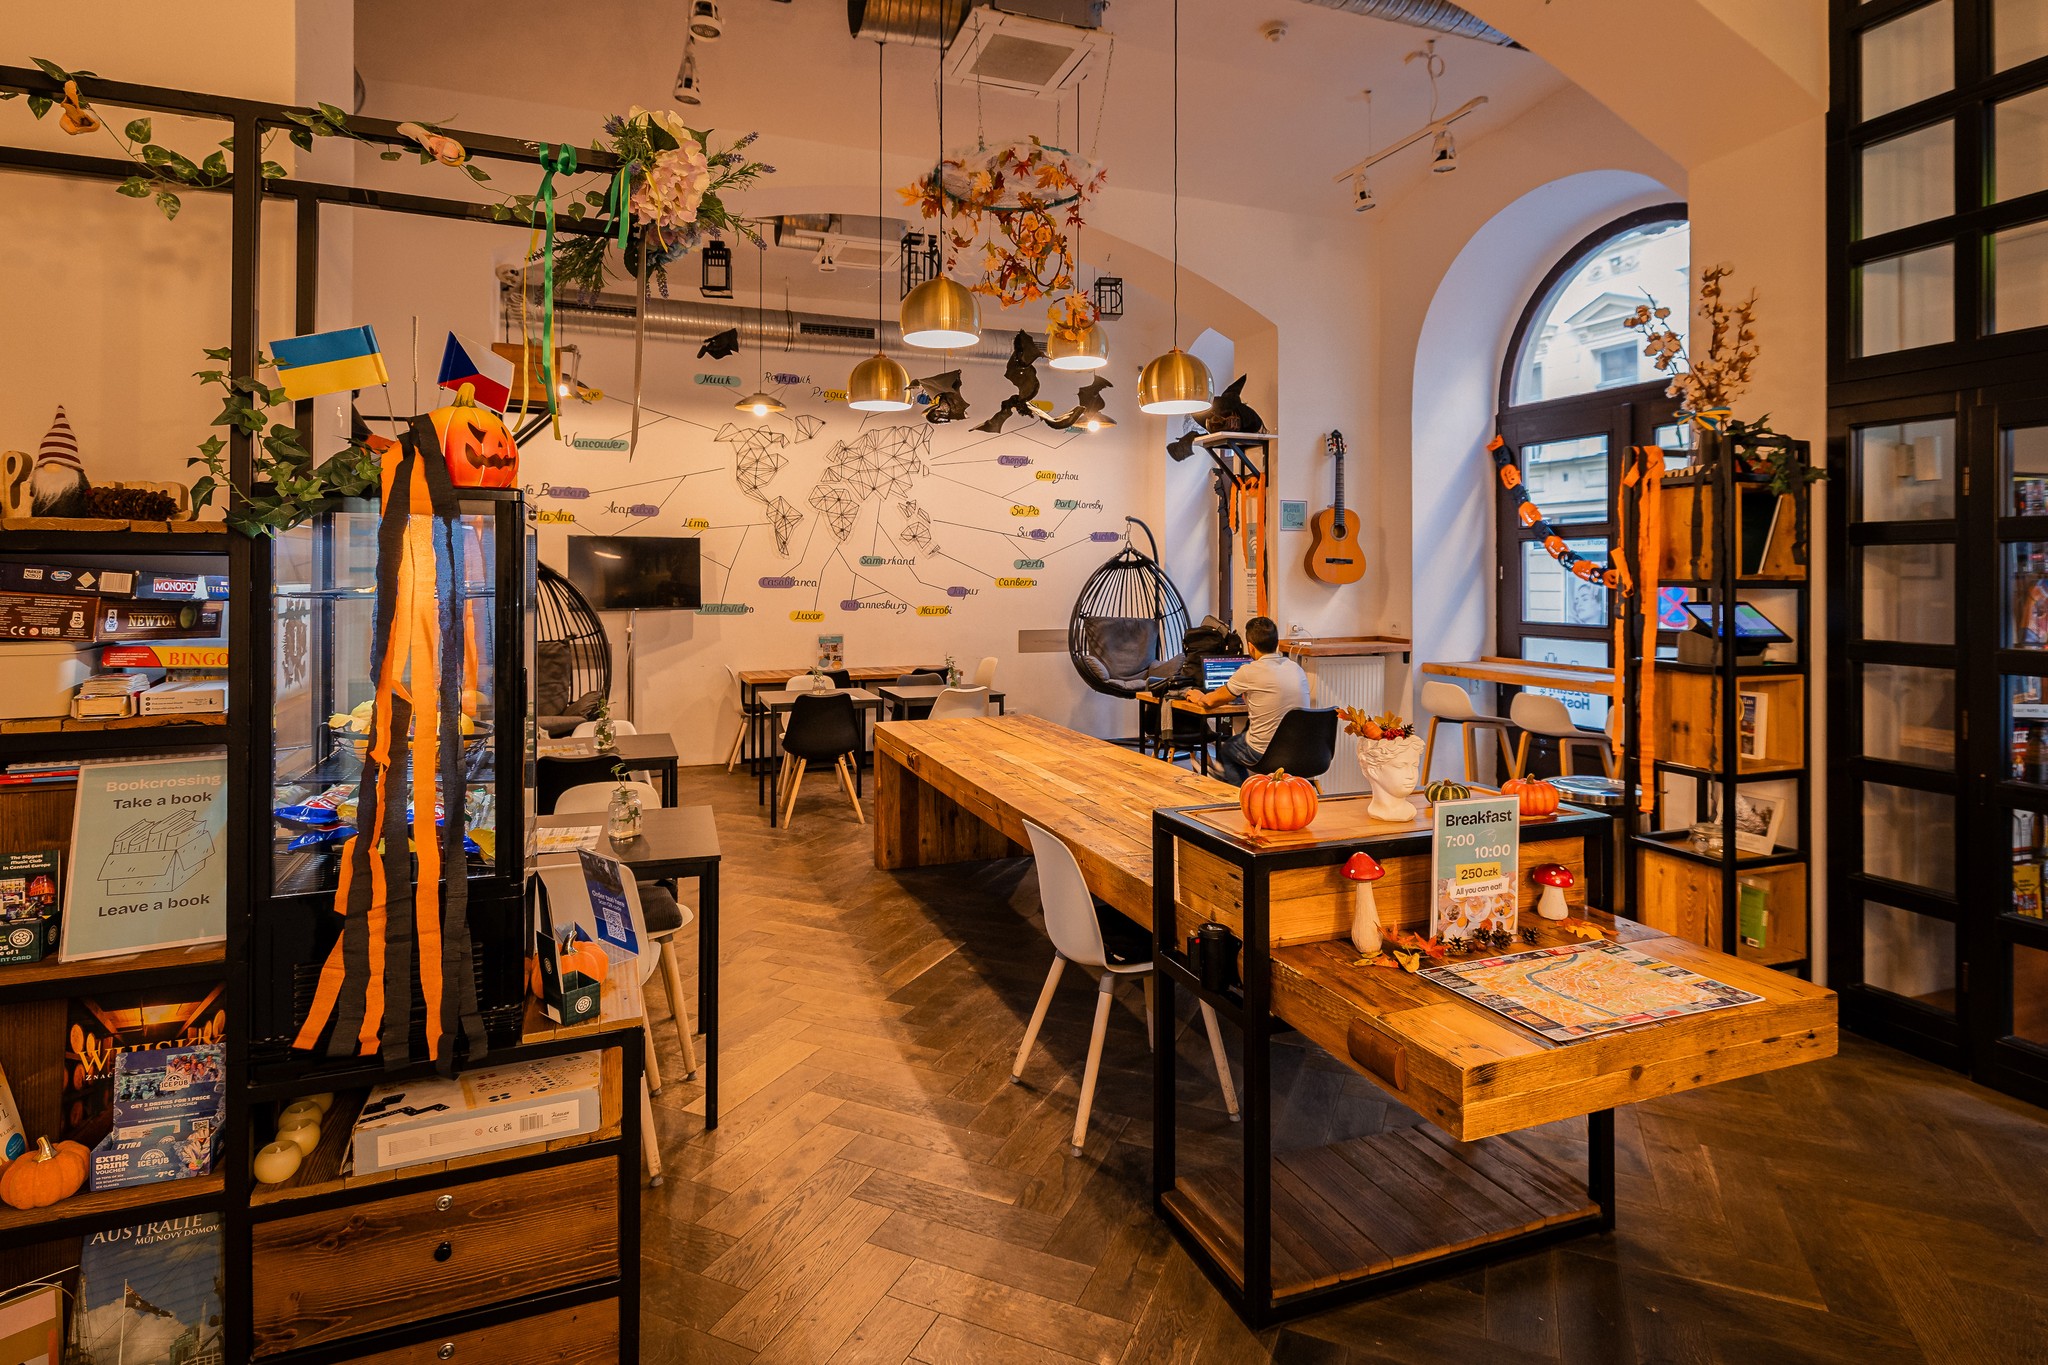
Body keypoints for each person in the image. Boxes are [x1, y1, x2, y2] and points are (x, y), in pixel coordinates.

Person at [1194, 616, 1309, 784]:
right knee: (1246, 731)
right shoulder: (1296, 669)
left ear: (1251, 647)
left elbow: (1211, 701)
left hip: (1266, 754)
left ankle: (1238, 792)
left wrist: (1199, 696)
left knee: (1228, 749)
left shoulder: (1249, 671)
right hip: (1302, 752)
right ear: (1276, 644)